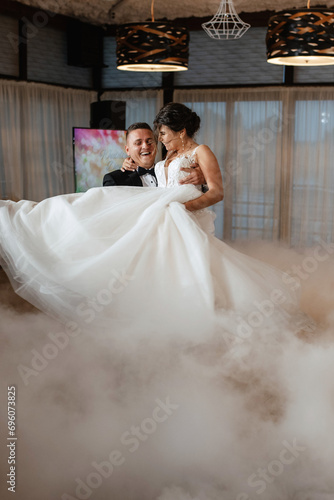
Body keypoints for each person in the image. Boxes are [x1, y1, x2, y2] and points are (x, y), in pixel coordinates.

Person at [0, 103, 312, 342]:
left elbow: (215, 191)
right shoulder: (158, 163)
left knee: (200, 272)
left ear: (178, 131)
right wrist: (147, 180)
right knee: (85, 205)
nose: (156, 141)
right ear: (128, 149)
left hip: (181, 223)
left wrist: (187, 199)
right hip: (158, 230)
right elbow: (136, 197)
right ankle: (27, 216)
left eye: (159, 134)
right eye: (145, 140)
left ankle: (203, 321)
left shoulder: (199, 152)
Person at [102, 122, 206, 188]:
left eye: (149, 141)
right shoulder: (115, 180)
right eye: (138, 143)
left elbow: (191, 194)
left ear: (156, 145)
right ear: (127, 150)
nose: (145, 146)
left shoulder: (172, 170)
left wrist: (203, 181)